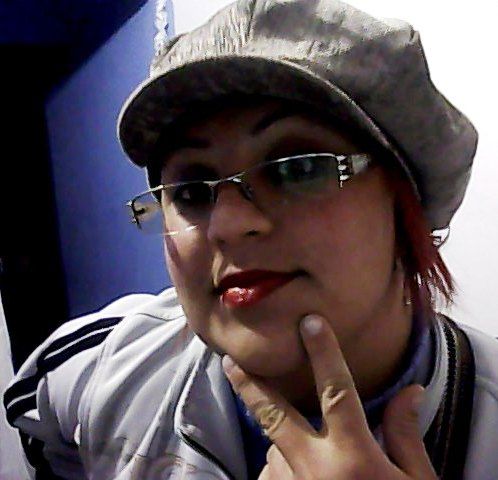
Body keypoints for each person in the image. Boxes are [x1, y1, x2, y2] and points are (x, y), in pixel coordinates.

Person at [3, 0, 498, 478]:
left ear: (406, 201)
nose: (227, 224)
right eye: (192, 191)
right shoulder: (102, 365)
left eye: (297, 169)